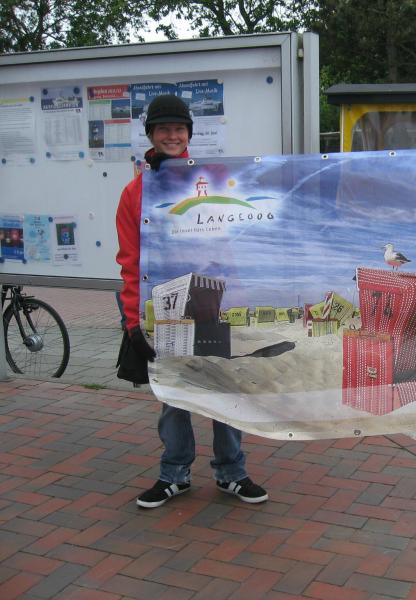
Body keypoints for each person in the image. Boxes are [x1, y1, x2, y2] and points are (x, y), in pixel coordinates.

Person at [116, 94, 269, 509]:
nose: (172, 135)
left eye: (179, 128)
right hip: (164, 305)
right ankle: (174, 474)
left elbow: (229, 246)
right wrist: (133, 321)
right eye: (163, 129)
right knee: (174, 394)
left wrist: (238, 298)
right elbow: (130, 261)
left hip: (211, 299)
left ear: (189, 134)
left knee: (223, 385)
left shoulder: (209, 180)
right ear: (150, 134)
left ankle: (231, 472)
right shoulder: (135, 193)